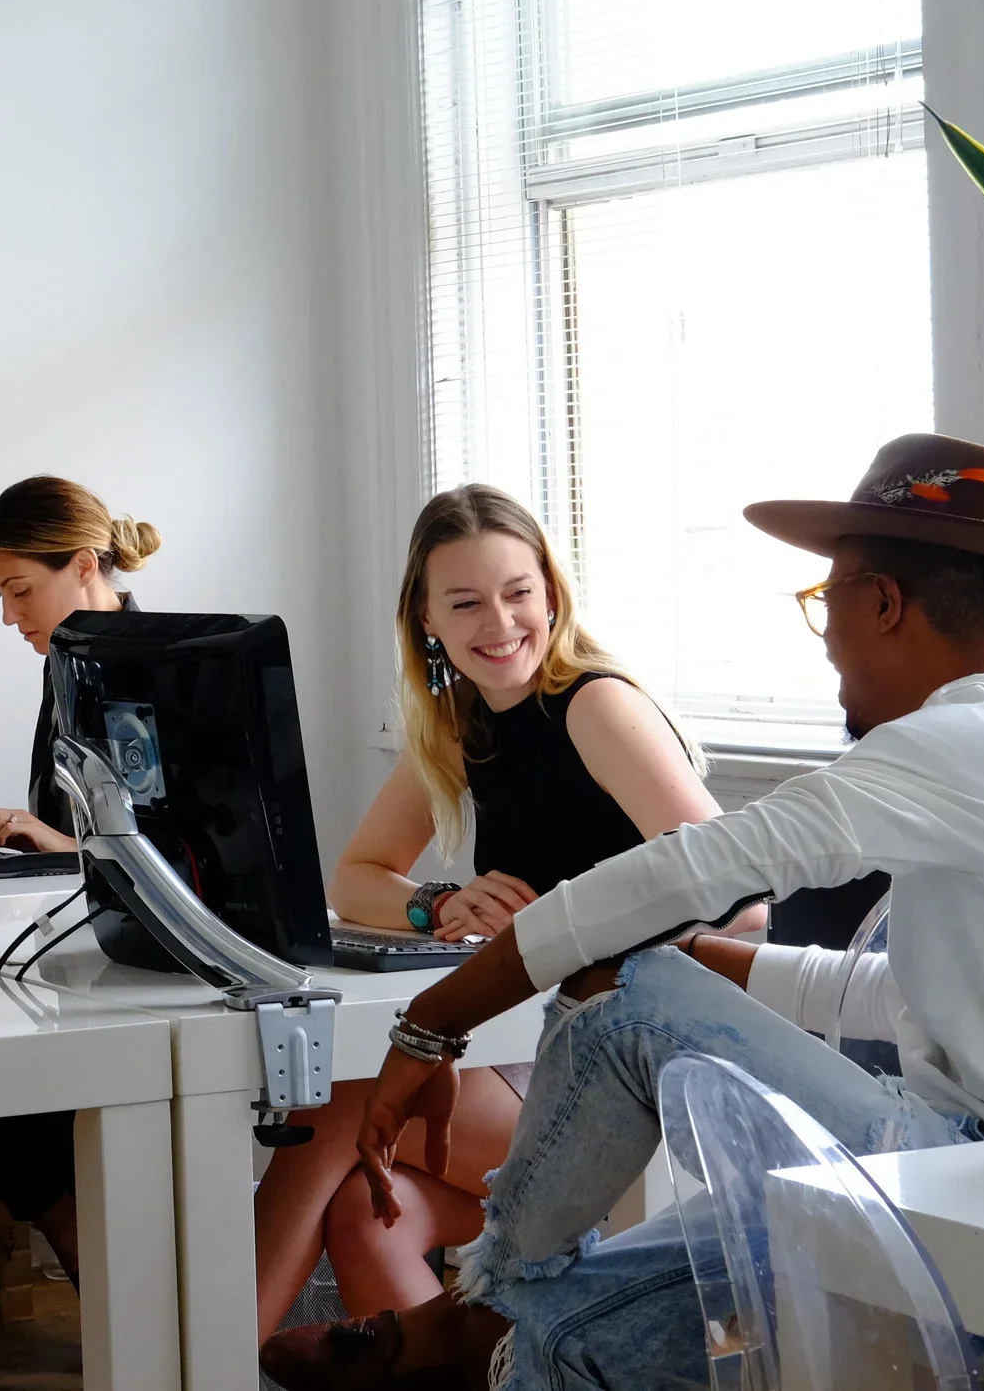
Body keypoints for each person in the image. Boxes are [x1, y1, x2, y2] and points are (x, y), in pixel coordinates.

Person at [260, 435, 984, 1391]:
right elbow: (888, 994)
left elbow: (694, 865)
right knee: (560, 1336)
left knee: (639, 996)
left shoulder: (974, 741)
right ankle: (472, 1336)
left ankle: (463, 1311)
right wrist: (700, 957)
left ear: (880, 602)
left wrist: (435, 1021)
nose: (825, 636)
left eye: (827, 603)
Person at [253, 485, 746, 1335]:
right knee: (373, 1212)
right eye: (467, 601)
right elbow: (356, 877)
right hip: (528, 1057)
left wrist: (567, 922)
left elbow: (739, 900)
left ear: (552, 592)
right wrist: (437, 902)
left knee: (339, 1093)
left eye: (519, 591)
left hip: (632, 1079)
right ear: (426, 619)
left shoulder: (595, 703)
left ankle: (211, 1359)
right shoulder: (458, 718)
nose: (501, 621)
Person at [0, 474, 161, 1275]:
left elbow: (163, 859)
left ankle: (84, 1237)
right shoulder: (72, 663)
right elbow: (79, 830)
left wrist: (50, 839)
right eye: (0, 594)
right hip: (76, 936)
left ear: (84, 565)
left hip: (139, 956)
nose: (10, 615)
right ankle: (78, 1231)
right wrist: (0, 828)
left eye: (20, 590)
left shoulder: (150, 671)